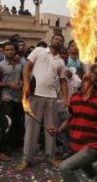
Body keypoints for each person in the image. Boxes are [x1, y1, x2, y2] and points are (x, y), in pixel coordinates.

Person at [18, 34, 68, 171]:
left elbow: (63, 81)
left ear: (62, 44)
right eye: (56, 39)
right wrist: (26, 83)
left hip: (52, 97)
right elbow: (27, 67)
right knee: (31, 129)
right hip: (35, 95)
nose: (58, 41)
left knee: (51, 129)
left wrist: (66, 98)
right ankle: (26, 159)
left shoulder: (61, 62)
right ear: (51, 40)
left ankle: (51, 157)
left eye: (61, 40)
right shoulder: (39, 51)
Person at [0, 41, 24, 160]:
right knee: (6, 125)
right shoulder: (0, 65)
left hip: (18, 98)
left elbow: (22, 77)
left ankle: (13, 147)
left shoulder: (20, 63)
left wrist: (21, 83)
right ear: (4, 51)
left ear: (15, 50)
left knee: (17, 124)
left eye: (11, 49)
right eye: (7, 50)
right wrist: (8, 84)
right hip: (6, 98)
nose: (9, 52)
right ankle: (1, 150)